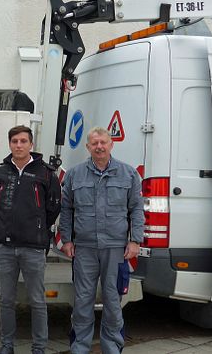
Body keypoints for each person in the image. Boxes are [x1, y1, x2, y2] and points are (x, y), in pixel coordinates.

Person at [59, 127, 144, 354]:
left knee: (113, 303)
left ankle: (112, 347)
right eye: (94, 143)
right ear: (88, 147)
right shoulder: (75, 175)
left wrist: (135, 240)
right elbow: (66, 210)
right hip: (84, 249)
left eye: (103, 143)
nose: (99, 147)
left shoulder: (128, 174)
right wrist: (66, 239)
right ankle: (80, 347)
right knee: (83, 302)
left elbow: (136, 209)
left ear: (111, 144)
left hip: (115, 249)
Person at [0, 125, 61, 354]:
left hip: (33, 248)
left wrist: (38, 228)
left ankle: (39, 346)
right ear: (9, 144)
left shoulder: (46, 173)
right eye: (14, 141)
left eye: (23, 141)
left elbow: (53, 208)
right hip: (5, 248)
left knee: (38, 301)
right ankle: (6, 345)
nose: (18, 145)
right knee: (6, 301)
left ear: (31, 144)